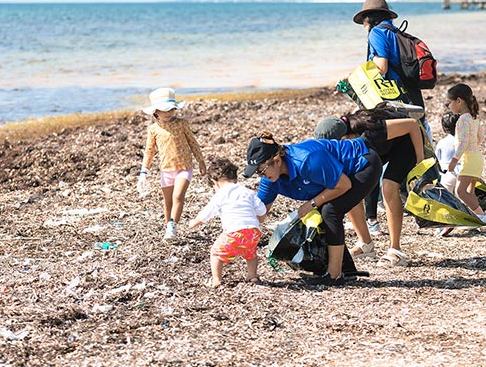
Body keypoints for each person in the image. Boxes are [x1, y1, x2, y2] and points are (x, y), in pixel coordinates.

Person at [244, 132, 382, 286]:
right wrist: (239, 234)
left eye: (261, 170)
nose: (261, 176)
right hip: (337, 178)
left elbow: (344, 185)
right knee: (319, 212)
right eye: (257, 172)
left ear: (276, 160)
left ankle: (334, 275)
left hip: (363, 164)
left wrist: (310, 204)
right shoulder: (269, 180)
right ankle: (346, 269)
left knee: (330, 211)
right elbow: (260, 215)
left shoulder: (306, 160)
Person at [314, 103, 424, 268]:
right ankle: (366, 244)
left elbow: (412, 125)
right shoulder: (351, 140)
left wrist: (420, 159)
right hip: (380, 148)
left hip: (406, 143)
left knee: (388, 187)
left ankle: (396, 250)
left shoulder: (373, 130)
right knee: (349, 187)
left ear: (344, 138)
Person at [138, 87, 207, 240]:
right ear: (156, 111)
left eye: (171, 109)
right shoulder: (153, 129)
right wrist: (144, 171)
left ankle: (172, 226)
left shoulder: (182, 124)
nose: (169, 113)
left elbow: (192, 143)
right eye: (164, 110)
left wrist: (201, 161)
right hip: (166, 169)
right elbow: (149, 151)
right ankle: (168, 227)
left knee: (178, 197)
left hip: (184, 167)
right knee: (168, 202)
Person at [188, 158, 267, 288]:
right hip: (253, 232)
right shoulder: (247, 192)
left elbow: (207, 213)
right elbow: (262, 208)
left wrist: (193, 223)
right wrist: (260, 219)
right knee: (250, 252)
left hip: (234, 232)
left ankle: (216, 279)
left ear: (215, 182)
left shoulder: (220, 195)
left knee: (215, 252)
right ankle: (252, 276)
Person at [353, 0, 428, 122]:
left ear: (369, 18)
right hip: (409, 89)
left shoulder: (376, 33)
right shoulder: (394, 31)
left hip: (395, 94)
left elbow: (381, 68)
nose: (363, 25)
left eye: (363, 21)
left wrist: (356, 76)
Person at [445, 84, 486, 223]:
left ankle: (482, 216)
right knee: (470, 191)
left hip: (470, 159)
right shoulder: (474, 117)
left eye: (450, 102)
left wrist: (454, 160)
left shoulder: (463, 120)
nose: (449, 106)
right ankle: (476, 216)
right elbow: (481, 135)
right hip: (477, 157)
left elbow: (462, 143)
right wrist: (474, 147)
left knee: (461, 191)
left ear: (459, 101)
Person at [435, 111, 461, 194]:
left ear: (444, 128)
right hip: (462, 173)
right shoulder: (463, 141)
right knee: (462, 199)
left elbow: (437, 161)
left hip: (447, 174)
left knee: (447, 200)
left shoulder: (442, 142)